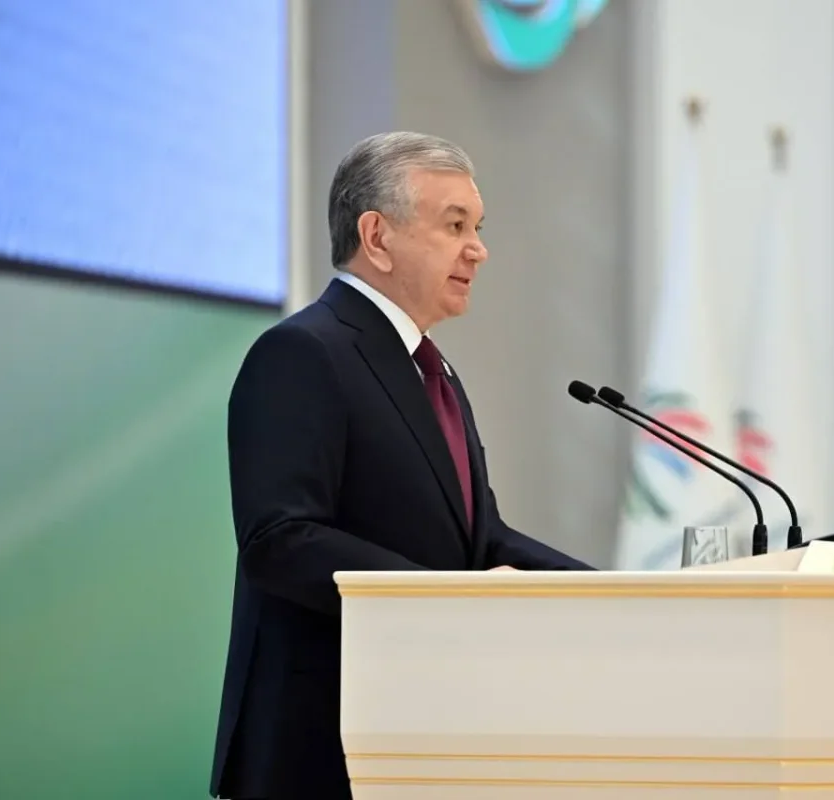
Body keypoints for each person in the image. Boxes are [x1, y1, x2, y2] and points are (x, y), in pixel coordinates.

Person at [209, 131, 594, 800]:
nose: (479, 249)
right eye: (454, 226)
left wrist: (616, 593)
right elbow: (280, 539)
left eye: (476, 228)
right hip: (319, 746)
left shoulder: (431, 368)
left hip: (419, 734)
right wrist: (450, 603)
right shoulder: (302, 353)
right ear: (378, 237)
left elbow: (482, 539)